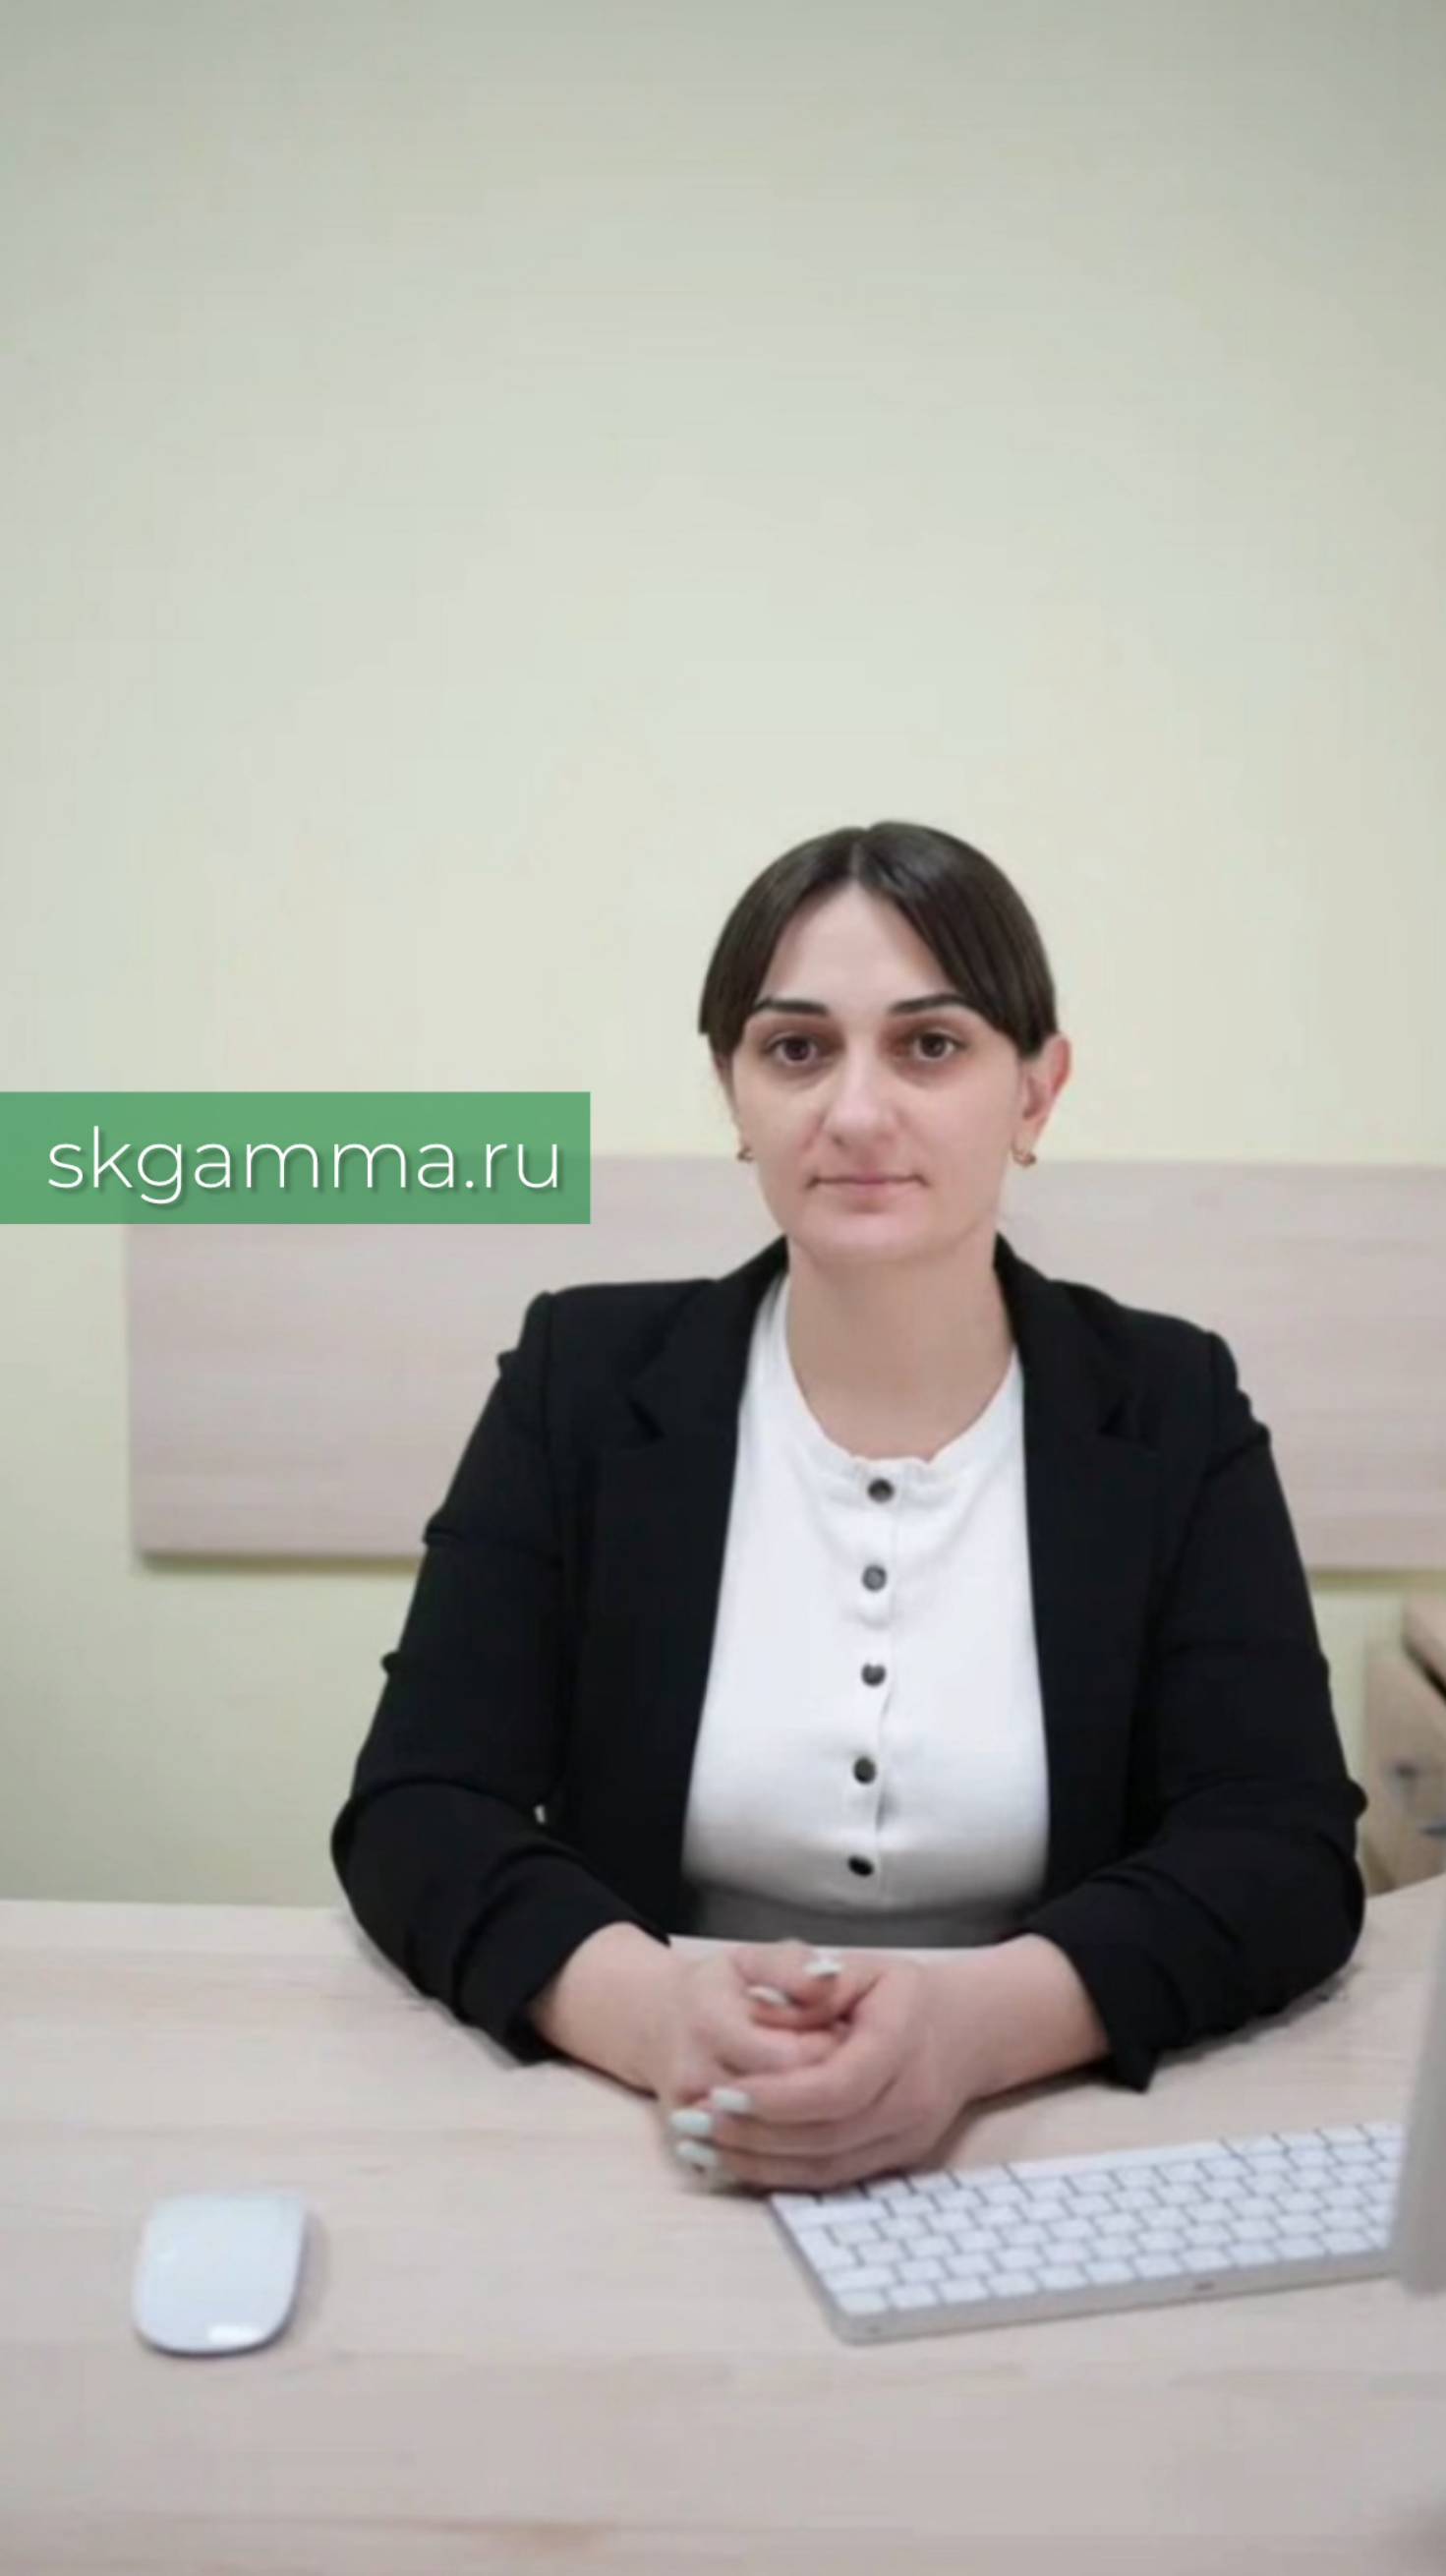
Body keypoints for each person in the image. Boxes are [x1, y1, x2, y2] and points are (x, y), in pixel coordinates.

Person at [329, 818, 1367, 2196]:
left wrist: (977, 2030)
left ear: (1037, 1093)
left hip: (1035, 2146)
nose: (858, 1112)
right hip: (648, 2141)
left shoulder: (1171, 1404)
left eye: (930, 1045)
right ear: (733, 1090)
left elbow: (1279, 1845)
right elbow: (420, 1806)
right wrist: (651, 2014)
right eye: (797, 1049)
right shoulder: (581, 1381)